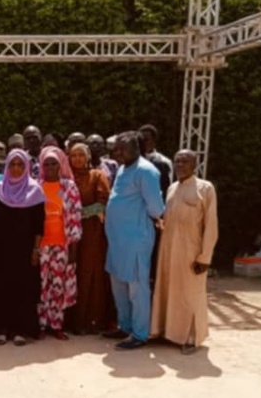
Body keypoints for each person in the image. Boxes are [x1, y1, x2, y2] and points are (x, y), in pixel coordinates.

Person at [151, 150, 218, 354]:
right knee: (168, 290)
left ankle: (191, 338)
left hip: (191, 251)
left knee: (191, 293)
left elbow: (211, 225)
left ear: (195, 164)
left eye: (185, 161)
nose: (180, 165)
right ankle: (167, 332)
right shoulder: (171, 188)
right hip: (168, 249)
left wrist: (205, 257)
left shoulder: (205, 189)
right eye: (177, 161)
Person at [104, 131, 165, 350]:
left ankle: (140, 333)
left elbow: (156, 208)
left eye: (122, 149)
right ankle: (125, 325)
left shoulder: (146, 171)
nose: (117, 152)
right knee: (118, 284)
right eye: (117, 148)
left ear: (136, 149)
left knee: (137, 288)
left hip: (136, 240)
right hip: (117, 241)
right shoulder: (122, 168)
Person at [0, 149, 45, 345]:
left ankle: (20, 330)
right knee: (0, 288)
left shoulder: (35, 191)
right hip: (0, 250)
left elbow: (38, 226)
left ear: (27, 167)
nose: (16, 168)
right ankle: (1, 329)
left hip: (25, 252)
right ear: (7, 167)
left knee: (23, 289)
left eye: (20, 164)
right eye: (12, 165)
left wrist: (36, 250)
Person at [37, 147, 83, 340]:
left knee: (58, 286)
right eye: (46, 164)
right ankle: (40, 325)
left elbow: (75, 217)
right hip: (41, 246)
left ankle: (56, 325)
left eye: (54, 163)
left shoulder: (69, 187)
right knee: (41, 285)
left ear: (60, 165)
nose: (50, 167)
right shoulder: (35, 186)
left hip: (62, 245)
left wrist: (72, 248)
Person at [67, 142, 114, 335]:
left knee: (90, 273)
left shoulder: (97, 176)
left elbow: (104, 202)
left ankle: (90, 320)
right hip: (69, 232)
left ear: (87, 157)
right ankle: (71, 320)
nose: (77, 159)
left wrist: (80, 213)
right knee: (72, 273)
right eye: (74, 155)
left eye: (81, 155)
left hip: (91, 232)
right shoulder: (66, 177)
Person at [138, 124, 173, 201]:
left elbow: (167, 188)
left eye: (146, 139)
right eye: (140, 140)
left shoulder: (163, 162)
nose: (143, 143)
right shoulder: (131, 160)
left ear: (154, 141)